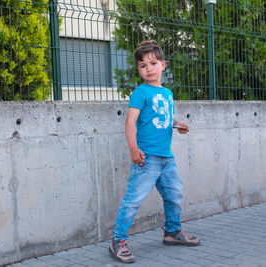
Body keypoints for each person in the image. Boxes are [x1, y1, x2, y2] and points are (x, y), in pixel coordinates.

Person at [109, 40, 200, 263]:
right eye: (142, 65)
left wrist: (178, 124)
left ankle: (172, 232)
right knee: (134, 199)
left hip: (166, 159)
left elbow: (164, 118)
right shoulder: (140, 93)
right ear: (138, 70)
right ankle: (118, 240)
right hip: (146, 158)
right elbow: (131, 123)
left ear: (163, 65)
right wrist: (133, 149)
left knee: (174, 194)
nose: (148, 68)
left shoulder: (167, 93)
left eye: (153, 63)